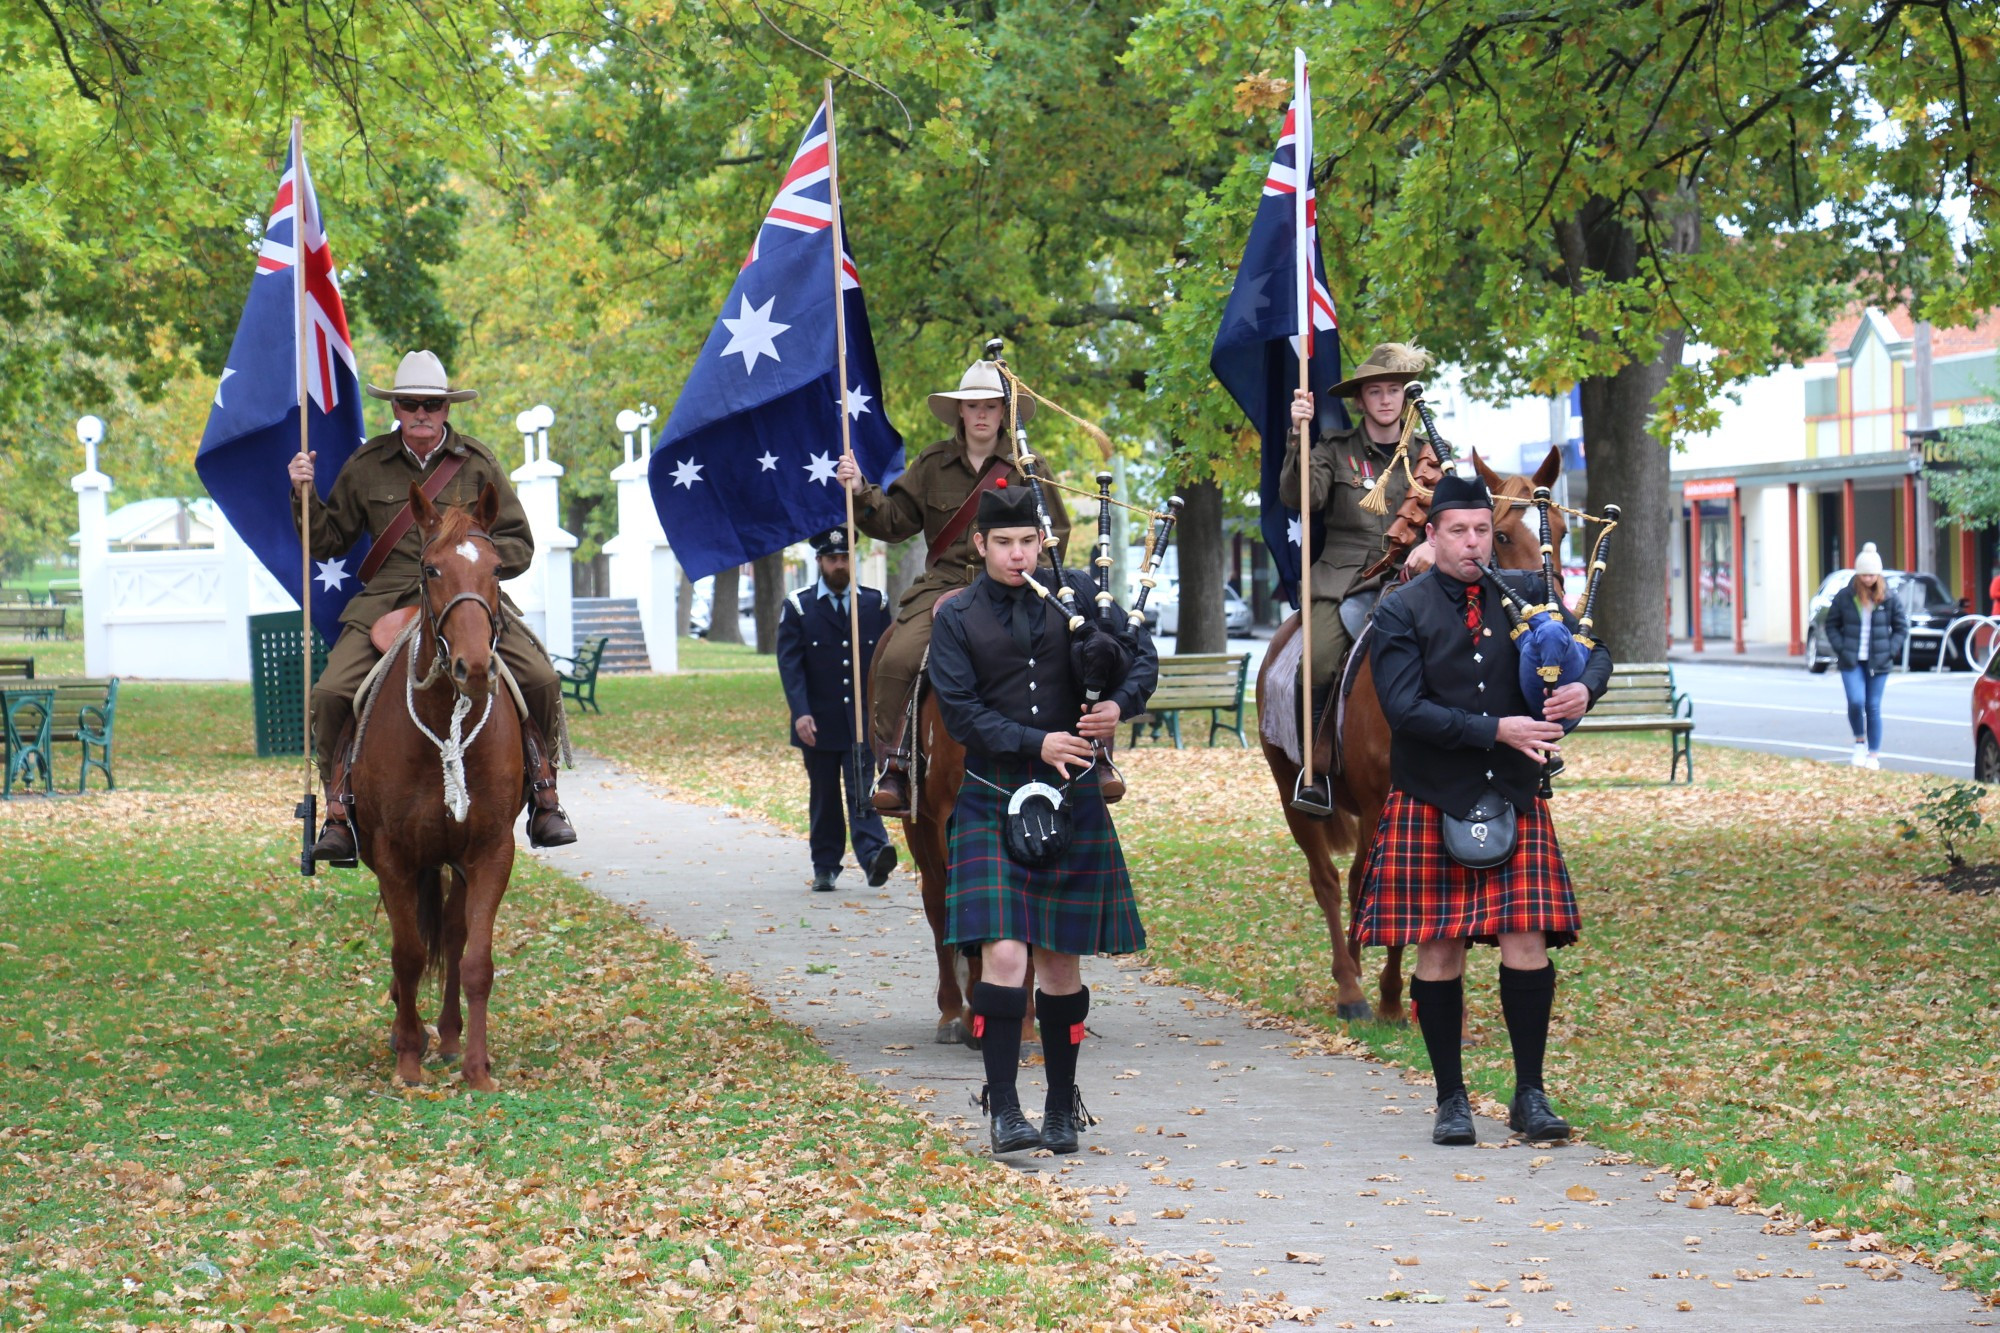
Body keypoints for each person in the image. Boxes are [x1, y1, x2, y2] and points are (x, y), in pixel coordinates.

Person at [1358, 474, 1611, 1147]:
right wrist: (1497, 728)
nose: (1473, 543)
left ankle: (1530, 1094)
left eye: (1481, 531)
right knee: (1440, 947)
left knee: (1526, 941)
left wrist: (1584, 687)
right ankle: (1451, 1098)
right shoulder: (1401, 609)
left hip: (1513, 792)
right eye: (1459, 531)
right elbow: (1404, 708)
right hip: (1432, 792)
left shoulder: (1528, 593)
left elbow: (1596, 649)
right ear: (1433, 535)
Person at [927, 482, 1156, 1155]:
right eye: (1004, 542)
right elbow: (961, 710)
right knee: (1002, 951)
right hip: (993, 789)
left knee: (1060, 963)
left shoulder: (1080, 598)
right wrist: (1037, 742)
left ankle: (1060, 1102)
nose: (1018, 554)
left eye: (1029, 541)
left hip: (1070, 795)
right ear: (980, 545)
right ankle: (1003, 1106)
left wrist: (1120, 707)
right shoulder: (956, 616)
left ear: (1044, 541)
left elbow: (1140, 659)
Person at [289, 350, 576, 865]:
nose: (421, 412)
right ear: (396, 409)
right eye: (410, 403)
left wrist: (474, 566)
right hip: (389, 599)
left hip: (465, 597)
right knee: (331, 692)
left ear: (447, 409)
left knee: (540, 679)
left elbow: (519, 542)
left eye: (432, 404)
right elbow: (328, 540)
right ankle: (340, 810)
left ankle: (543, 795)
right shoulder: (368, 464)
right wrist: (302, 491)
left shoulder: (478, 463)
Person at [835, 359, 1071, 816]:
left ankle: (1093, 758)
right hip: (943, 585)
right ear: (959, 413)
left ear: (1004, 412)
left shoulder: (1029, 464)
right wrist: (861, 488)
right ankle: (897, 766)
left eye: (990, 406)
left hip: (1016, 584)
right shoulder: (932, 462)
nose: (981, 415)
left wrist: (1026, 569)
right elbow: (894, 521)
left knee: (1079, 651)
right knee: (898, 657)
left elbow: (1054, 531)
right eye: (972, 407)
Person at [1282, 342, 1442, 816]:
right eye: (1376, 391)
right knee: (1318, 661)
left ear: (1406, 398)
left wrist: (1431, 545)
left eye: (1394, 390)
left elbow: (1455, 512)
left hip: (1420, 577)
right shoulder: (1335, 450)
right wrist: (1298, 436)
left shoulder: (1432, 456)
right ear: (1361, 400)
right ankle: (1317, 769)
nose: (1387, 399)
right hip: (1346, 580)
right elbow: (1300, 498)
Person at [775, 528, 898, 892]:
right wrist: (800, 712)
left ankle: (875, 856)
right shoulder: (798, 606)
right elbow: (790, 665)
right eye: (832, 559)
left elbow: (887, 662)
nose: (839, 565)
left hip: (861, 720)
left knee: (862, 789)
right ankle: (825, 866)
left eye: (845, 558)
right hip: (818, 720)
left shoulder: (874, 605)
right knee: (825, 795)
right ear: (819, 562)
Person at [1824, 543, 1906, 770]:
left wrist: (1890, 650)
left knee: (1873, 706)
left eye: (1872, 574)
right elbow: (1832, 625)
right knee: (1855, 700)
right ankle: (1859, 741)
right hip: (1851, 659)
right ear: (1858, 575)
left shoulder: (1888, 597)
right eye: (1865, 575)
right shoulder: (1845, 597)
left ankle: (1873, 754)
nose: (1869, 579)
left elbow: (1901, 628)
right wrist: (1841, 648)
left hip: (1879, 661)